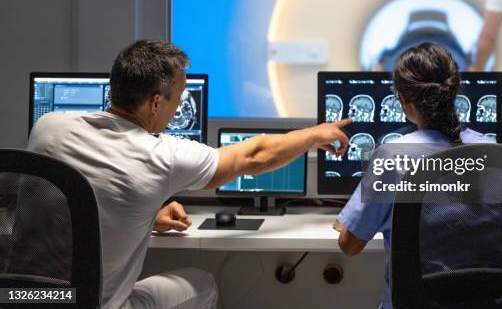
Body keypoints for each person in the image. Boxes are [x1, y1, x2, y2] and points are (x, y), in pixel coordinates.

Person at [27, 40, 351, 309]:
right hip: (100, 304)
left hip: (25, 298)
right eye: (179, 98)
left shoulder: (48, 127)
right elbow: (255, 156)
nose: (178, 106)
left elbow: (80, 199)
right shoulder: (161, 157)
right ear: (155, 103)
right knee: (203, 283)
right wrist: (314, 134)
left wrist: (146, 215)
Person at [333, 43, 502, 309]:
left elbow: (350, 246)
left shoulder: (393, 158)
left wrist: (350, 221)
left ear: (404, 101)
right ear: (453, 92)